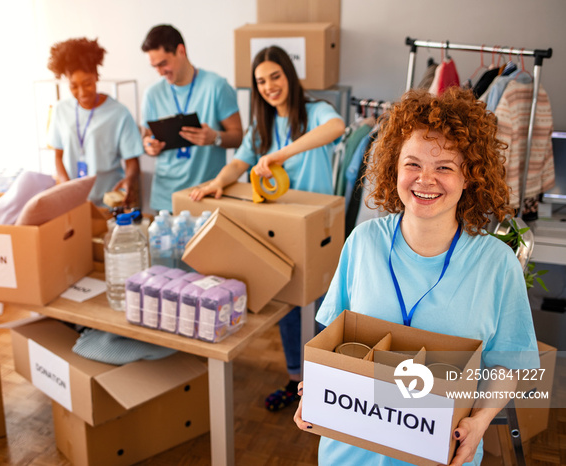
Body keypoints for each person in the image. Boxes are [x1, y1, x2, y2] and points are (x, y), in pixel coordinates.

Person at [294, 87, 540, 466]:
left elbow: (507, 363)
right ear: (394, 166)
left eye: (444, 167)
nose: (425, 179)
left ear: (470, 177)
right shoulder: (362, 243)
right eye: (413, 164)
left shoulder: (496, 264)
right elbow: (332, 343)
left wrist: (480, 421)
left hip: (439, 455)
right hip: (349, 453)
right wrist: (314, 391)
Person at [190, 45, 345, 411]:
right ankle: (297, 381)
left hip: (317, 230)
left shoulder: (315, 111)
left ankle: (328, 389)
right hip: (280, 227)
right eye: (261, 81)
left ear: (289, 75)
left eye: (275, 76)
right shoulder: (261, 124)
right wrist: (218, 181)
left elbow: (337, 127)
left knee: (324, 308)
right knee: (290, 306)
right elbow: (239, 163)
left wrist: (281, 153)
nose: (269, 86)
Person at [141, 24, 243, 212]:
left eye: (163, 64)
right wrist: (149, 146)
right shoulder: (152, 94)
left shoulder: (216, 87)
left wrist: (215, 138)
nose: (160, 72)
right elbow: (146, 139)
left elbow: (239, 137)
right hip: (166, 199)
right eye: (154, 66)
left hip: (206, 195)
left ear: (181, 51)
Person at [47, 37, 143, 208]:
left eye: (87, 83)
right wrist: (67, 186)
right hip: (74, 202)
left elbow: (132, 161)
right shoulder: (60, 110)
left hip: (108, 201)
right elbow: (58, 155)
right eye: (74, 86)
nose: (82, 92)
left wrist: (129, 180)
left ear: (97, 76)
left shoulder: (119, 113)